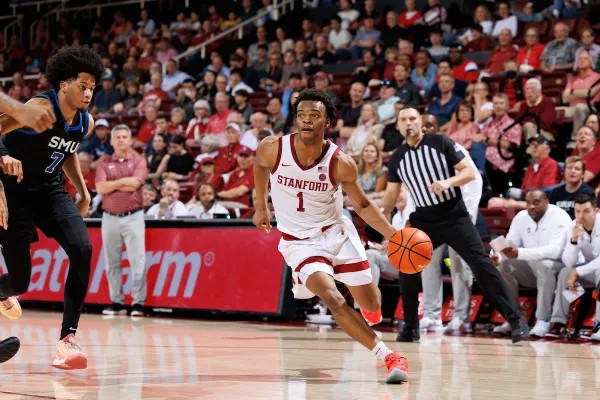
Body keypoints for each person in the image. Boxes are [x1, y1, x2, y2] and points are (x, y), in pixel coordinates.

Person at [253, 89, 409, 384]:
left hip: (336, 234)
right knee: (334, 298)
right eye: (301, 116)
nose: (306, 121)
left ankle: (370, 315)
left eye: (314, 116)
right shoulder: (272, 148)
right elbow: (260, 167)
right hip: (300, 243)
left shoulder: (340, 162)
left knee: (372, 305)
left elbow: (362, 205)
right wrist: (261, 206)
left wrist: (394, 235)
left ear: (327, 123)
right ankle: (388, 356)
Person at [382, 107, 527, 343]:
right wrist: (377, 211)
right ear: (398, 126)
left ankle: (516, 320)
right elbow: (390, 195)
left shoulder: (441, 143)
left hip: (453, 214)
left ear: (420, 122)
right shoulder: (398, 157)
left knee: (481, 265)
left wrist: (448, 182)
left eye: (412, 118)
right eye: (403, 120)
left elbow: (469, 172)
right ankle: (410, 326)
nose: (408, 123)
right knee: (406, 265)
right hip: (424, 218)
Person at [0, 45, 105, 369]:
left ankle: (67, 341)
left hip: (50, 191)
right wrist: (2, 156)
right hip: (13, 193)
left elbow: (67, 150)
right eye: (82, 85)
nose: (88, 93)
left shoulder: (84, 122)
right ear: (63, 84)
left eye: (92, 87)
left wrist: (84, 191)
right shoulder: (37, 107)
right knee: (20, 283)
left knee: (82, 248)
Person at [492, 189, 571, 338]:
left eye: (536, 202)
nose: (531, 207)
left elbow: (556, 251)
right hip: (533, 271)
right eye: (528, 203)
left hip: (559, 270)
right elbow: (510, 245)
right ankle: (514, 319)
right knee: (503, 266)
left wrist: (520, 253)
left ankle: (543, 319)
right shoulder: (521, 217)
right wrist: (498, 256)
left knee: (544, 264)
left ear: (546, 202)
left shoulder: (560, 217)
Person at [95, 125, 148, 318]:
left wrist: (112, 186)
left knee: (138, 261)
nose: (121, 140)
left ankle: (137, 303)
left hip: (133, 216)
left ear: (131, 140)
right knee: (112, 262)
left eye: (125, 136)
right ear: (111, 141)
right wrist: (122, 183)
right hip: (109, 217)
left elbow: (136, 183)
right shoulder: (103, 163)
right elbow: (100, 188)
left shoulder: (139, 161)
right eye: (117, 137)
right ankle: (117, 301)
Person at [546, 194, 600, 340]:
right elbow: (569, 263)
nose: (581, 216)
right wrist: (573, 241)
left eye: (586, 211)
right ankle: (558, 323)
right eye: (577, 211)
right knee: (565, 272)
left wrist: (578, 271)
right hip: (590, 272)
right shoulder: (573, 226)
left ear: (596, 211)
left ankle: (599, 325)